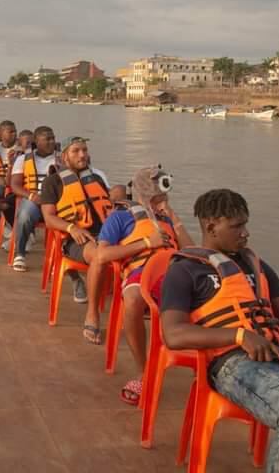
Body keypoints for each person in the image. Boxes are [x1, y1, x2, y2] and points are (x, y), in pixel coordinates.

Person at [161, 189, 279, 473]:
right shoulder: (185, 271)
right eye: (236, 226)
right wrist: (239, 336)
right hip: (237, 367)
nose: (245, 233)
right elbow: (173, 334)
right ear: (211, 226)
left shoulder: (256, 266)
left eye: (245, 224)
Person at [95, 166, 192, 404]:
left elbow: (191, 252)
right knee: (133, 299)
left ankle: (215, 370)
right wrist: (147, 242)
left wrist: (175, 219)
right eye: (159, 189)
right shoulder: (121, 216)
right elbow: (103, 255)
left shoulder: (168, 218)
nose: (164, 196)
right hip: (143, 274)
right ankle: (144, 370)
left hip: (176, 273)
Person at [40, 136, 114, 345]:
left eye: (85, 150)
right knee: (99, 257)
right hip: (76, 239)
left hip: (105, 235)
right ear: (64, 156)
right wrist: (71, 227)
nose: (82, 155)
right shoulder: (52, 182)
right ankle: (92, 314)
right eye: (76, 151)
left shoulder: (96, 180)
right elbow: (49, 217)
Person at [8, 125, 58, 269]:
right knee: (25, 213)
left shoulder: (62, 159)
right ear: (36, 140)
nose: (51, 142)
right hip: (33, 200)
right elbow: (15, 185)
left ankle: (59, 258)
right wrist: (31, 196)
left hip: (55, 202)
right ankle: (20, 254)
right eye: (47, 139)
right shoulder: (23, 159)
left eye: (53, 138)